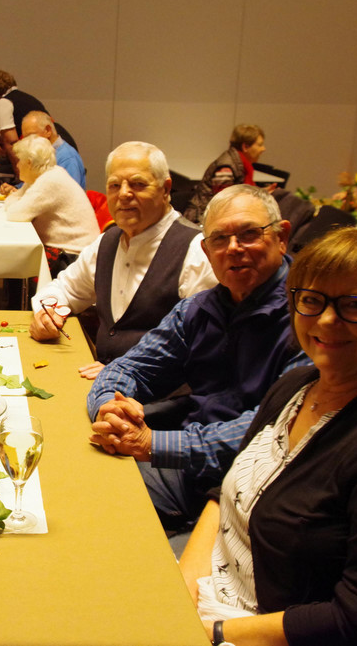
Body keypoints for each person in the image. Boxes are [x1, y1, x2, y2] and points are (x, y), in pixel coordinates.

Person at [178, 227, 357, 646]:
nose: (326, 319)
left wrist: (210, 631)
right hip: (212, 600)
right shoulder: (297, 385)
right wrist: (180, 591)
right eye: (312, 300)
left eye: (355, 305)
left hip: (266, 632)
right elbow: (224, 496)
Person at [88, 185, 308, 532]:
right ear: (206, 251)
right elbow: (131, 368)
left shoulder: (311, 319)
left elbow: (274, 431)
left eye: (249, 234)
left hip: (257, 492)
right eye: (220, 239)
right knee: (78, 489)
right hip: (187, 469)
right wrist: (109, 407)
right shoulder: (199, 310)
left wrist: (154, 444)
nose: (233, 248)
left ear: (281, 237)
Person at [31, 142, 216, 378]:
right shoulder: (107, 242)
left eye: (138, 184)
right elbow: (65, 289)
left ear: (166, 189)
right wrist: (47, 314)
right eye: (115, 185)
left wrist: (128, 369)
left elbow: (201, 345)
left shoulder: (197, 250)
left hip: (159, 391)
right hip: (100, 379)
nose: (124, 194)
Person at [3, 135, 99, 275]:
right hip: (68, 252)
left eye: (19, 161)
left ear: (29, 163)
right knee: (16, 258)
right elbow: (12, 202)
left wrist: (14, 201)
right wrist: (14, 201)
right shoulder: (41, 176)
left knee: (15, 261)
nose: (17, 166)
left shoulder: (50, 181)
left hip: (74, 257)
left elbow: (15, 214)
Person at [0, 69, 78, 174]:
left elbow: (12, 142)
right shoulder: (28, 99)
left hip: (51, 152)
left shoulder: (2, 103)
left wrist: (19, 175)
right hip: (62, 143)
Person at [184, 124, 267, 223]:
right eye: (260, 145)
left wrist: (260, 193)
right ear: (245, 147)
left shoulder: (239, 164)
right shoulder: (226, 168)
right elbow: (223, 203)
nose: (263, 149)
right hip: (202, 219)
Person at [20, 110, 86, 188]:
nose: (27, 141)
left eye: (31, 135)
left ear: (48, 131)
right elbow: (31, 182)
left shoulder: (68, 158)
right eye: (25, 138)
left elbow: (65, 192)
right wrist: (15, 188)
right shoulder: (41, 154)